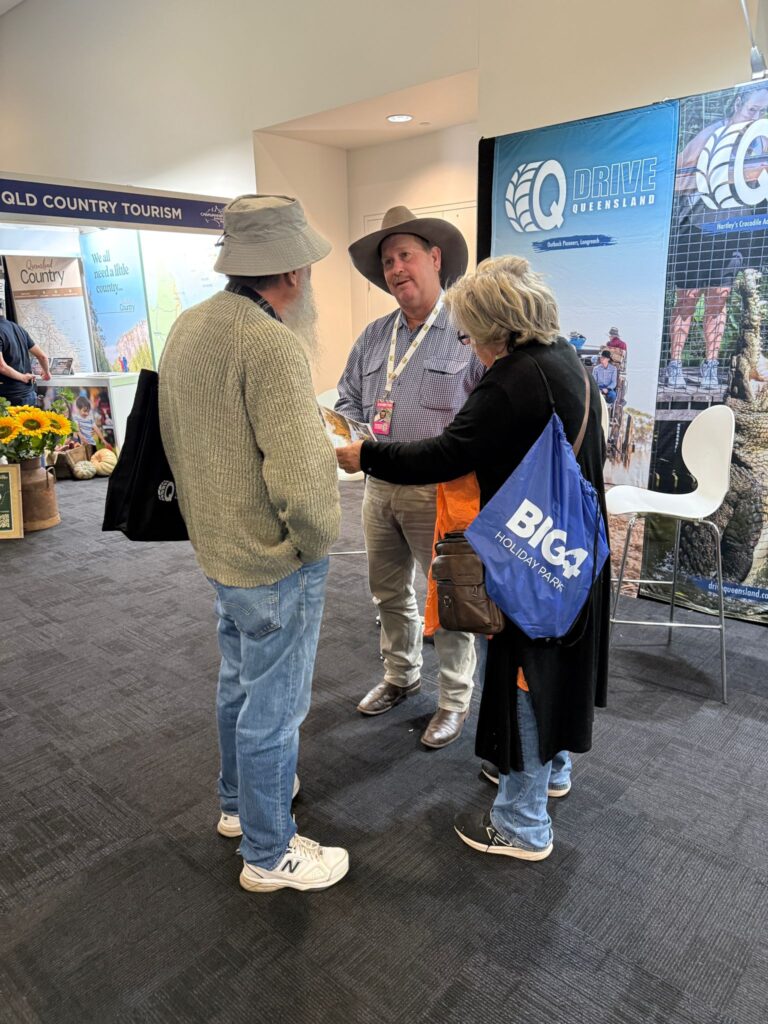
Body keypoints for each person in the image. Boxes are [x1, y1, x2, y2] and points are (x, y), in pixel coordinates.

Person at [336, 255, 609, 861]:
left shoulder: (513, 379)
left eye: (470, 333)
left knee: (524, 673)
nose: (469, 345)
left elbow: (448, 453)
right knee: (552, 665)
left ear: (496, 326)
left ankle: (521, 823)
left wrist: (369, 456)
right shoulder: (566, 361)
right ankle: (550, 770)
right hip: (567, 549)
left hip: (527, 555)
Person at [159, 195, 347, 893]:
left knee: (239, 683)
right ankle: (270, 855)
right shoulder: (271, 344)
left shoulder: (189, 326)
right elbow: (303, 478)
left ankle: (239, 806)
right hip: (274, 560)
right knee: (277, 705)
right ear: (292, 272)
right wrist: (314, 545)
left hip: (218, 551)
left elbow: (176, 439)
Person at [336, 206, 485, 748]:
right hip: (379, 486)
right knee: (388, 592)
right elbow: (349, 396)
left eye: (406, 255)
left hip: (440, 490)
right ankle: (401, 676)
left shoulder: (468, 334)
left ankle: (454, 698)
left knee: (446, 597)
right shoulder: (375, 335)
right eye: (388, 260)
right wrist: (353, 434)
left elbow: (485, 412)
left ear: (435, 259)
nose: (397, 268)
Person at [665, 85, 768, 391]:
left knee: (719, 300)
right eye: (752, 110)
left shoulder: (760, 138)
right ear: (738, 103)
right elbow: (675, 179)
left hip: (733, 231)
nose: (756, 116)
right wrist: (721, 177)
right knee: (687, 298)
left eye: (761, 112)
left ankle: (711, 366)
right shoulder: (711, 134)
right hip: (696, 230)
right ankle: (675, 365)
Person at [0, 317, 51, 405]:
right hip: (29, 394)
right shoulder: (18, 328)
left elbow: (1, 366)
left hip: (9, 398)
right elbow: (42, 356)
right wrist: (46, 372)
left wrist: (23, 377)